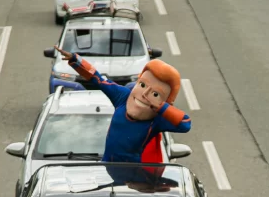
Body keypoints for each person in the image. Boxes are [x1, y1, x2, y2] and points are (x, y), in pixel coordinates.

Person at [56, 49, 191, 163]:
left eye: (155, 94)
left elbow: (185, 123)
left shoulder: (157, 119)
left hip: (132, 176)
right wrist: (75, 60)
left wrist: (162, 108)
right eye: (142, 85)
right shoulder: (123, 97)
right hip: (106, 167)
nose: (144, 94)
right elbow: (98, 79)